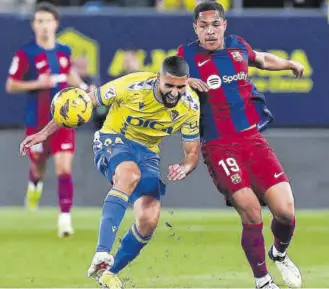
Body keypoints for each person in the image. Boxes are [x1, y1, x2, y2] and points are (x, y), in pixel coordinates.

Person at [19, 56, 201, 288]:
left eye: (180, 87)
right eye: (169, 86)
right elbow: (79, 103)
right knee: (129, 175)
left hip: (148, 154)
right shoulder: (131, 85)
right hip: (114, 138)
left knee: (149, 218)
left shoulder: (191, 106)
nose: (175, 93)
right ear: (158, 79)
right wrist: (45, 133)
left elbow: (192, 151)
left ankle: (108, 272)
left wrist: (185, 165)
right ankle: (102, 252)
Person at [176, 2, 304, 289]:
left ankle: (279, 254)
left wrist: (289, 64)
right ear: (195, 28)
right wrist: (185, 81)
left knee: (286, 211)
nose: (209, 31)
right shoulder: (185, 56)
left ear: (224, 25)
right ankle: (262, 281)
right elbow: (163, 82)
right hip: (218, 145)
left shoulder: (237, 46)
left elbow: (261, 59)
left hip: (252, 139)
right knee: (250, 210)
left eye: (215, 25)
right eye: (203, 26)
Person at [6, 2, 89, 237]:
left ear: (56, 24)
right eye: (39, 21)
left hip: (62, 121)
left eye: (47, 21)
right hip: (37, 122)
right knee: (39, 167)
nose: (44, 26)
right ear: (33, 25)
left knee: (64, 168)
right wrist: (38, 83)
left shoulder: (63, 50)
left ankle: (64, 220)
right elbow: (11, 85)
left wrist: (83, 86)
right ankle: (34, 184)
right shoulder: (26, 53)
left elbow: (69, 73)